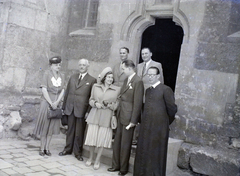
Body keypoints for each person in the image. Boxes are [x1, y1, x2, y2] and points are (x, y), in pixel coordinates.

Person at [134, 66, 177, 176]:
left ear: (158, 76)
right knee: (144, 151)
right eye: (149, 75)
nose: (150, 77)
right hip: (146, 128)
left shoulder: (165, 89)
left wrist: (163, 123)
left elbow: (172, 110)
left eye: (153, 75)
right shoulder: (148, 91)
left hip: (159, 129)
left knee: (155, 154)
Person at [108, 60, 144, 176]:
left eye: (123, 69)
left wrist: (134, 121)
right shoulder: (126, 80)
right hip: (120, 114)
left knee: (125, 144)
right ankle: (115, 165)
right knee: (117, 142)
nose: (122, 71)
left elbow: (138, 103)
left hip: (129, 118)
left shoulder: (138, 81)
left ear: (129, 68)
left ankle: (123, 169)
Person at [59, 59, 96, 161]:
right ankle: (67, 149)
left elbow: (91, 97)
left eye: (84, 65)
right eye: (80, 65)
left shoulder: (92, 80)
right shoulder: (73, 77)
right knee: (70, 130)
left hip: (82, 110)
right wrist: (64, 107)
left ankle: (77, 152)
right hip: (70, 108)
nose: (81, 66)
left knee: (79, 132)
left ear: (87, 66)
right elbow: (67, 93)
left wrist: (88, 111)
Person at [84, 67, 121, 170]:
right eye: (108, 77)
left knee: (102, 140)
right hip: (95, 114)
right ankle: (90, 158)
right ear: (104, 78)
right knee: (92, 138)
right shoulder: (95, 86)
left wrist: (110, 105)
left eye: (111, 77)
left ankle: (97, 160)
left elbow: (117, 105)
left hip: (106, 116)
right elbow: (90, 100)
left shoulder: (117, 89)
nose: (110, 79)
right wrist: (95, 103)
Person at [33, 56, 65, 156]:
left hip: (56, 104)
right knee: (45, 126)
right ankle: (42, 148)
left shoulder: (62, 75)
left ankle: (47, 148)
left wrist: (57, 102)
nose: (58, 67)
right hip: (46, 103)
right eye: (56, 65)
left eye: (59, 65)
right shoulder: (46, 74)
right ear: (51, 66)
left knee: (51, 127)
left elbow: (63, 90)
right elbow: (44, 89)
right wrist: (51, 103)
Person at [132, 47, 165, 145]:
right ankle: (135, 138)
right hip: (139, 95)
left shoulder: (157, 65)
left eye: (146, 53)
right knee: (138, 116)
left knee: (147, 117)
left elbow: (160, 81)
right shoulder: (139, 66)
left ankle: (144, 139)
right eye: (142, 54)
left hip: (150, 96)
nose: (144, 55)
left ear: (151, 54)